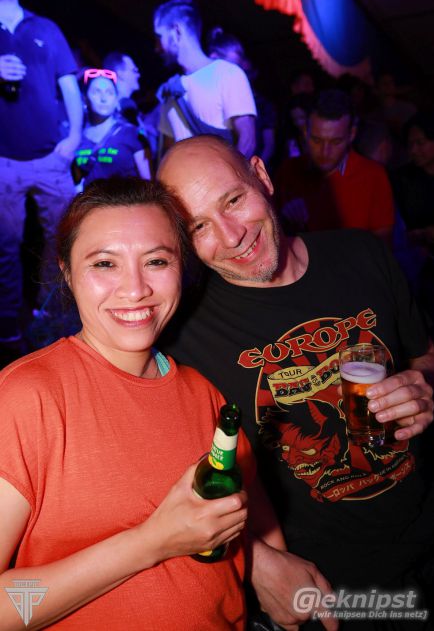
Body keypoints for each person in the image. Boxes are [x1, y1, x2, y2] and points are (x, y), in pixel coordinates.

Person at [158, 135, 434, 630]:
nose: (232, 237)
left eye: (233, 200)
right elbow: (166, 484)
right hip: (337, 589)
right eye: (199, 226)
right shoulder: (184, 335)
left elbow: (427, 355)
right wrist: (255, 559)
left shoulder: (363, 254)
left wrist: (425, 385)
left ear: (262, 177)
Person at [0, 177, 300, 630]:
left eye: (156, 261)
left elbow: (249, 518)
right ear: (67, 272)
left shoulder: (206, 395)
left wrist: (271, 568)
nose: (135, 288)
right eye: (105, 264)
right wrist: (150, 543)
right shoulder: (28, 396)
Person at [0, 0, 83, 344]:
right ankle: (7, 325)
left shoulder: (45, 27)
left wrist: (74, 138)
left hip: (52, 157)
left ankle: (55, 314)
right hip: (4, 162)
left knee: (64, 237)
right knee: (5, 245)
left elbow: (69, 85)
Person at [275, 89, 395, 243]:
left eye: (336, 142)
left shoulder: (373, 176)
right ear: (305, 132)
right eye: (317, 140)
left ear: (351, 135)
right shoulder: (288, 171)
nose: (325, 151)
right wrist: (283, 221)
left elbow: (382, 245)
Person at [154, 0, 256, 157]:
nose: (157, 48)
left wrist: (223, 173)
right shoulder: (172, 89)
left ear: (176, 31)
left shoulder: (227, 73)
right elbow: (168, 151)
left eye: (159, 37)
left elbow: (247, 141)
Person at [391, 111, 434, 351]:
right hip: (420, 266)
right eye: (410, 144)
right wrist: (422, 235)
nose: (414, 150)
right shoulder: (403, 179)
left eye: (420, 143)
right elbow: (397, 229)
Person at [207, 26, 277, 168]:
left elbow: (260, 144)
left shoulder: (261, 104)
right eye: (232, 69)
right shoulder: (206, 94)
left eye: (241, 69)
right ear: (213, 58)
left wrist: (251, 170)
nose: (238, 75)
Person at [72, 68, 151, 186]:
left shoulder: (132, 134)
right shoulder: (77, 138)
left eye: (109, 93)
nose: (103, 98)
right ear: (85, 99)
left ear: (116, 99)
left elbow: (148, 183)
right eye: (96, 92)